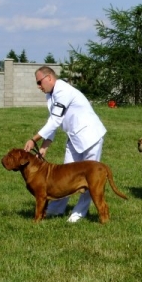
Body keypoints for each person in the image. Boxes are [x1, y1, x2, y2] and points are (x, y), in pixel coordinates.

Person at [24, 66, 107, 223]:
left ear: (49, 78)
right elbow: (54, 123)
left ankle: (80, 212)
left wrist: (34, 139)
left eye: (39, 82)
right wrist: (44, 147)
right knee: (64, 176)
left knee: (89, 178)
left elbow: (55, 120)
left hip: (91, 136)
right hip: (74, 137)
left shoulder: (63, 91)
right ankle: (57, 208)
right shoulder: (51, 95)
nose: (38, 86)